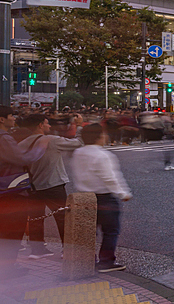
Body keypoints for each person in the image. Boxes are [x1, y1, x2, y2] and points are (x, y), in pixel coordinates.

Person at [70, 123, 132, 272]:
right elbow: (110, 178)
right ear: (98, 137)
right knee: (110, 230)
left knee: (88, 231)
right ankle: (106, 261)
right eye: (103, 134)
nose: (105, 136)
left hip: (83, 197)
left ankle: (86, 260)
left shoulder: (78, 153)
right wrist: (123, 193)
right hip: (104, 198)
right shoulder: (103, 155)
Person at [18, 114, 82, 258]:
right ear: (40, 125)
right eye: (47, 124)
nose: (50, 126)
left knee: (35, 218)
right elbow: (78, 143)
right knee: (62, 217)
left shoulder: (22, 144)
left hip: (33, 187)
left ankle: (37, 250)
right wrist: (79, 126)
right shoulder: (51, 140)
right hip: (53, 185)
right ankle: (67, 249)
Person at [0, 106, 47, 277]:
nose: (14, 118)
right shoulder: (3, 137)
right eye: (11, 115)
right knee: (12, 229)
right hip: (10, 190)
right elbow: (21, 158)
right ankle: (7, 268)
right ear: (2, 119)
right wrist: (40, 148)